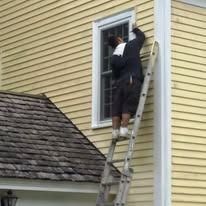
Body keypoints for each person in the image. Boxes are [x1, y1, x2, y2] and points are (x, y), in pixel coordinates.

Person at [108, 24, 145, 138]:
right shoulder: (132, 45)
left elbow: (115, 75)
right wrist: (135, 29)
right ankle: (124, 130)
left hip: (119, 83)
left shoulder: (113, 58)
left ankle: (115, 132)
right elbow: (141, 37)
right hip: (131, 80)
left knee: (117, 106)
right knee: (128, 105)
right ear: (119, 39)